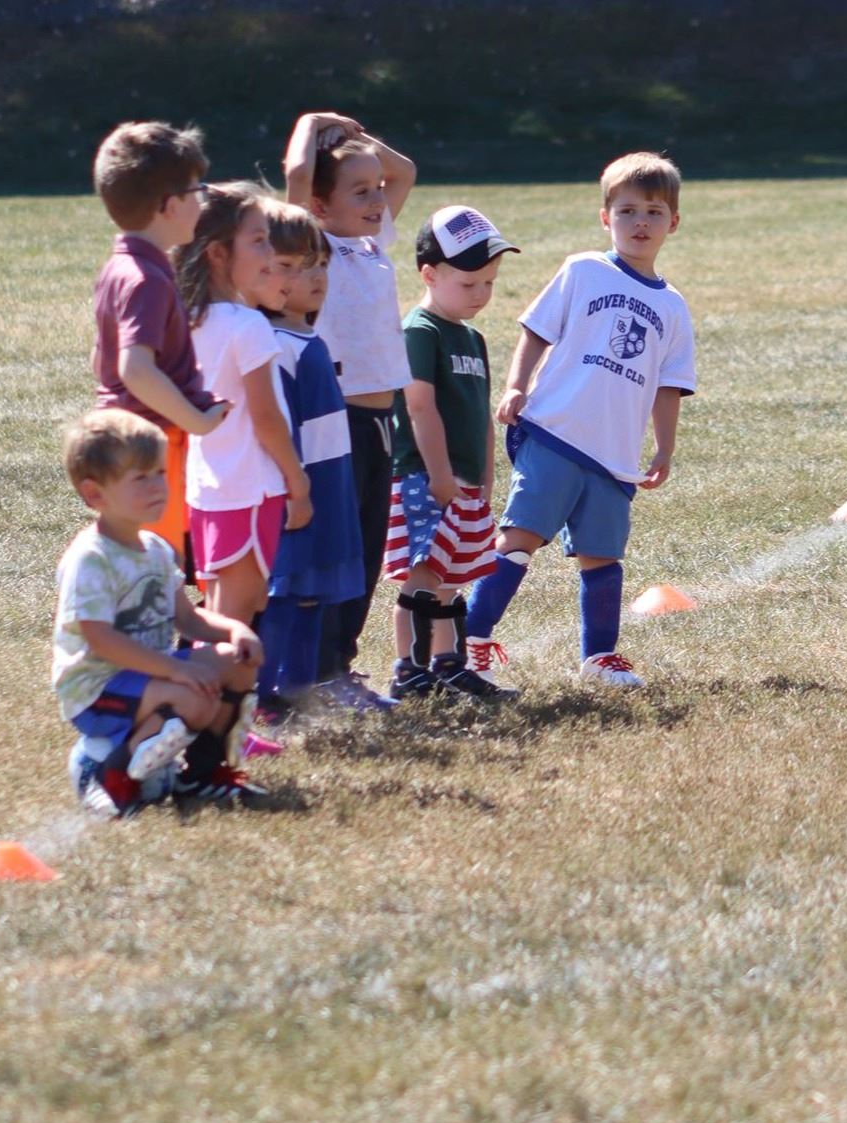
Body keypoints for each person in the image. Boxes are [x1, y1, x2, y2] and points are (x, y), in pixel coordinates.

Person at [464, 154, 696, 688]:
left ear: (673, 223)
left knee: (602, 555)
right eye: (627, 211)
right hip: (554, 432)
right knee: (520, 538)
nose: (640, 223)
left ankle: (600, 656)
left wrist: (663, 448)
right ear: (605, 217)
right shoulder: (583, 270)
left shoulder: (674, 308)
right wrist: (517, 385)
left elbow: (669, 385)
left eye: (654, 212)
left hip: (614, 455)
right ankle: (470, 640)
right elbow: (536, 331)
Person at [54, 409, 265, 815]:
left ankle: (201, 773)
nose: (157, 486)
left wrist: (234, 633)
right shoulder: (92, 557)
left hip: (149, 673)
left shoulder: (155, 549)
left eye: (160, 473)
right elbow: (100, 638)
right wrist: (176, 671)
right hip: (98, 687)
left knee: (236, 666)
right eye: (140, 478)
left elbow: (186, 619)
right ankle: (110, 776)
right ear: (95, 494)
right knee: (193, 697)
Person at [284, 111, 419, 708]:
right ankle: (318, 670)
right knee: (336, 548)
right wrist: (313, 126)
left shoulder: (372, 244)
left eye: (376, 192)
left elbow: (405, 170)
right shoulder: (315, 249)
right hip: (336, 422)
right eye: (360, 192)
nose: (377, 199)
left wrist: (360, 143)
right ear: (318, 206)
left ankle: (341, 667)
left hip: (379, 421)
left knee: (366, 549)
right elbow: (294, 175)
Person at [384, 205, 520, 707]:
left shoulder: (472, 337)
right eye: (469, 285)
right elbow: (419, 405)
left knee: (452, 578)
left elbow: (479, 415)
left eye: (489, 283)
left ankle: (449, 667)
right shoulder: (421, 330)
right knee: (423, 575)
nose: (481, 295)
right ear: (429, 274)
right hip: (424, 477)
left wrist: (484, 479)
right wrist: (439, 474)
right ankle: (409, 671)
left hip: (462, 481)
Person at [89, 120, 227, 568]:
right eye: (196, 190)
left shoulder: (119, 267)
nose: (202, 201)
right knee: (154, 571)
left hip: (131, 442)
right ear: (170, 206)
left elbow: (101, 356)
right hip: (153, 444)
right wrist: (197, 421)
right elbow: (135, 369)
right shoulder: (147, 279)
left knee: (141, 568)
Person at [176, 183, 311, 641]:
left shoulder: (188, 320)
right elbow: (267, 417)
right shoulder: (248, 325)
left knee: (223, 611)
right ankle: (208, 709)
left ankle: (209, 708)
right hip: (251, 490)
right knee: (237, 621)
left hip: (208, 489)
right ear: (217, 254)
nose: (270, 253)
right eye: (258, 240)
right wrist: (296, 479)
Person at [255, 204, 365, 724]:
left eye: (319, 263)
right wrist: (293, 485)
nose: (315, 276)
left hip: (331, 481)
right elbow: (273, 422)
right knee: (285, 591)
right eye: (296, 266)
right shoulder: (274, 344)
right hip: (299, 485)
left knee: (310, 595)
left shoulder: (307, 336)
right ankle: (265, 693)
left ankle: (300, 693)